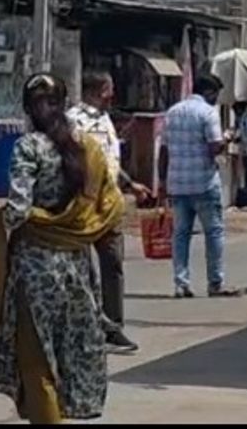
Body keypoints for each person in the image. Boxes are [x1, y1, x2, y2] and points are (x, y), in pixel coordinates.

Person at [0, 73, 123, 423]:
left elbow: (18, 210)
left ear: (27, 109)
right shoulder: (86, 147)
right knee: (70, 352)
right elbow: (108, 202)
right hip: (77, 266)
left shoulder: (29, 146)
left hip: (35, 272)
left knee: (37, 363)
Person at [67, 70, 150, 354]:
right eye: (108, 90)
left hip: (109, 203)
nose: (112, 95)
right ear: (96, 91)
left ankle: (113, 328)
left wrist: (130, 184)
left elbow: (108, 161)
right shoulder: (74, 120)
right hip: (83, 203)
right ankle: (84, 327)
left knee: (113, 264)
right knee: (82, 269)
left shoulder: (105, 120)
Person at [159, 74, 241, 299]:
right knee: (213, 232)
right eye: (216, 94)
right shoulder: (207, 112)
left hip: (177, 183)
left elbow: (164, 151)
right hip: (204, 182)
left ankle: (180, 283)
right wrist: (228, 137)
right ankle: (215, 282)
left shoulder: (173, 112)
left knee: (181, 234)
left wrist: (162, 182)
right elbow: (214, 147)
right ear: (209, 92)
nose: (216, 99)